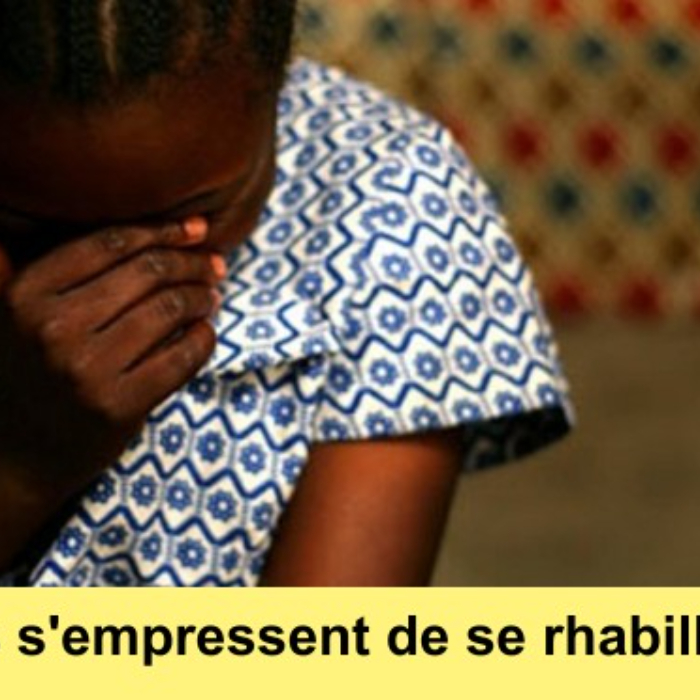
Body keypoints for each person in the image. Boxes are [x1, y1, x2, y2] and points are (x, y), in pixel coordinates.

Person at [0, 0, 572, 587]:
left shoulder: (392, 205)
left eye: (189, 217)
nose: (115, 280)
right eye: (34, 230)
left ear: (274, 92)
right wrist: (21, 468)